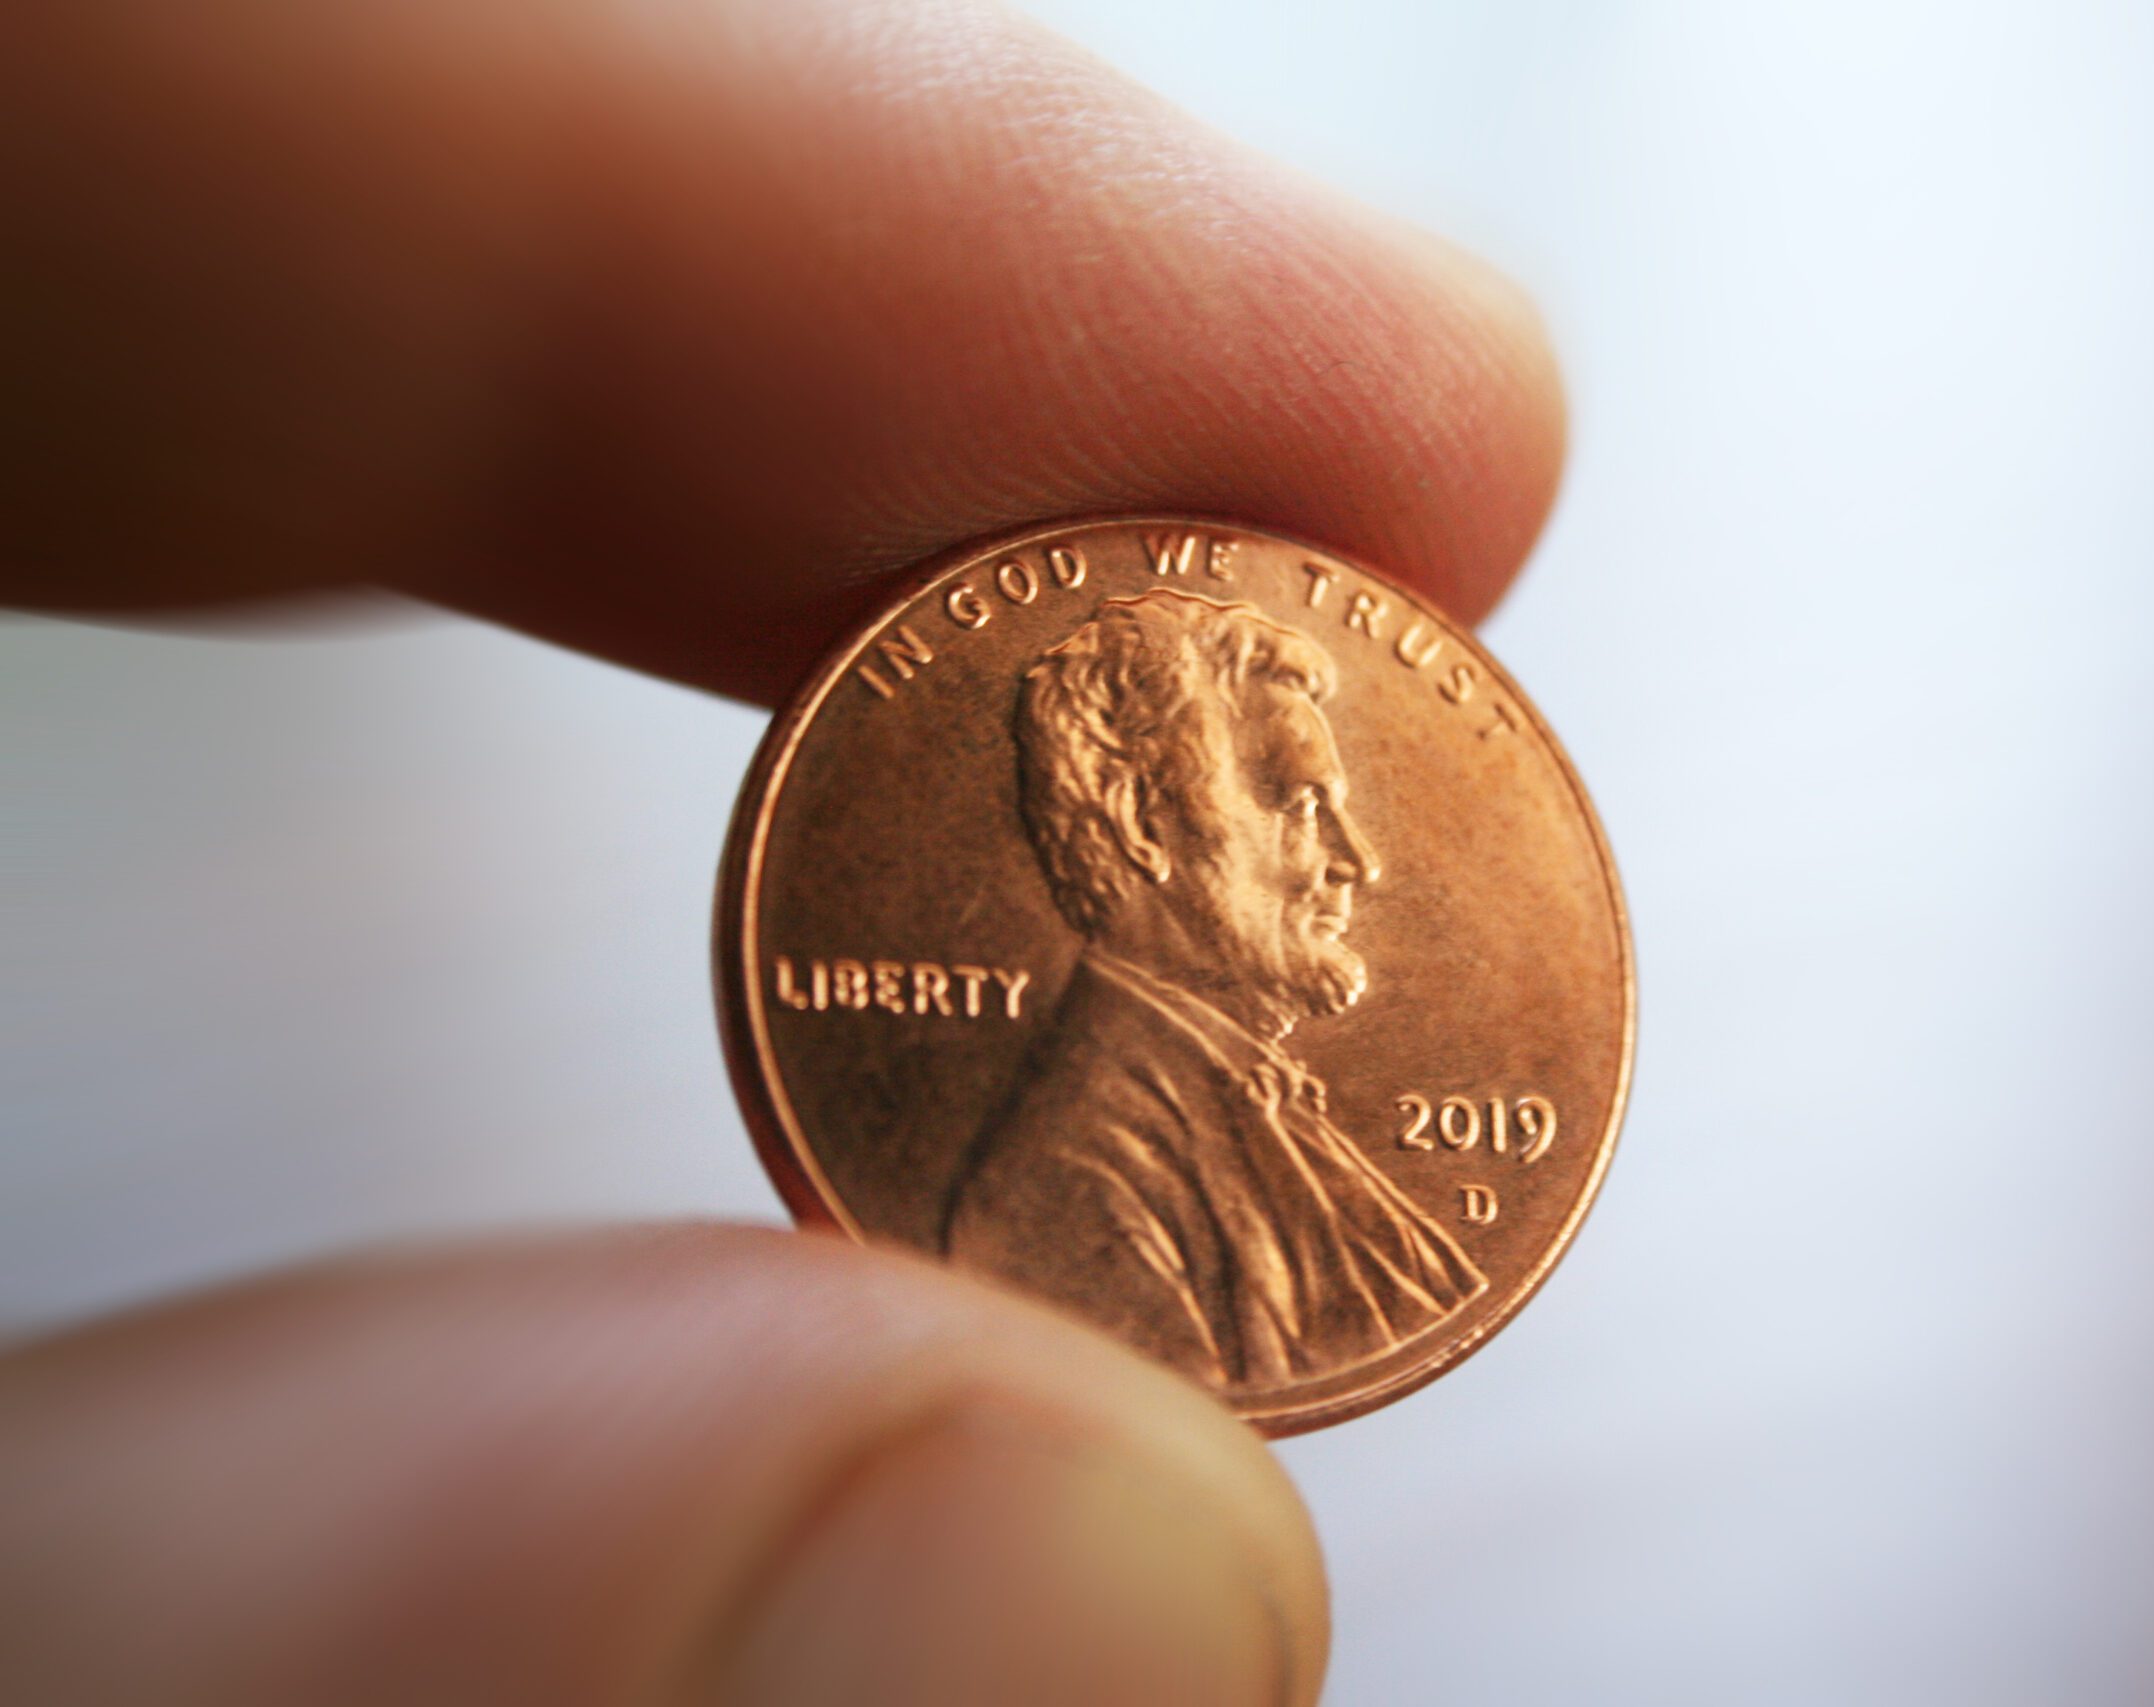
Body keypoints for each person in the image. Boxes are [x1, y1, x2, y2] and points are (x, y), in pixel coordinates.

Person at [0, 3, 1565, 1702]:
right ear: (1128, 833)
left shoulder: (1284, 1138)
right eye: (1287, 793)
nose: (1354, 853)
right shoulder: (1075, 1196)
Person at [945, 591, 1485, 1388]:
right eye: (1300, 805)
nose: (1357, 860)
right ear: (1140, 821)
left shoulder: (1270, 1110)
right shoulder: (1077, 1182)